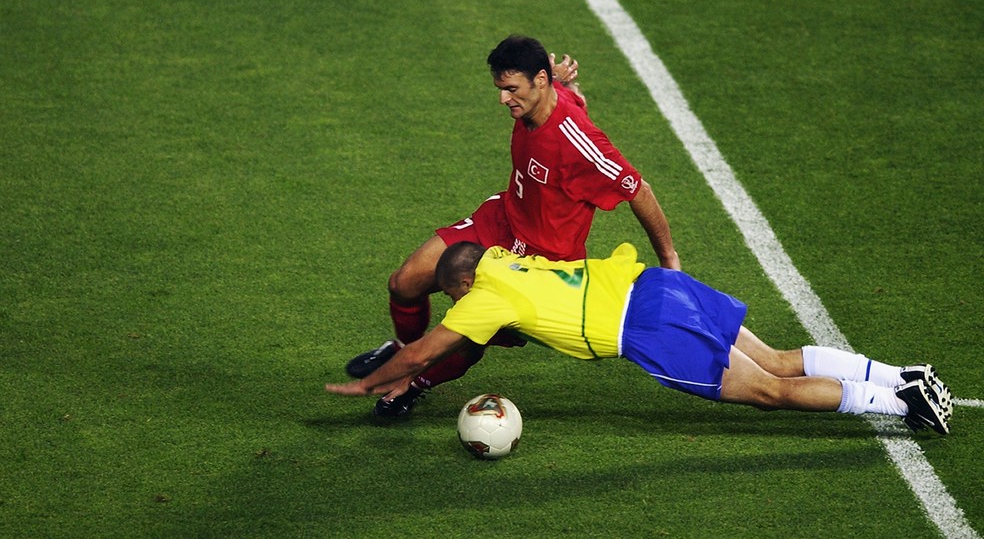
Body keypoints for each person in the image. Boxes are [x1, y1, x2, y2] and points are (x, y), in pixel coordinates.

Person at [346, 35, 680, 418]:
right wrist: (558, 81)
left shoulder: (577, 141)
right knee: (403, 282)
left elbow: (637, 189)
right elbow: (569, 96)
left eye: (510, 89)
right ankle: (406, 353)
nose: (503, 99)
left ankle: (413, 383)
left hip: (541, 261)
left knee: (467, 338)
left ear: (539, 81)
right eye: (500, 88)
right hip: (502, 221)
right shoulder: (540, 100)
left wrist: (669, 258)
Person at [327, 242, 953, 435]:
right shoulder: (504, 261)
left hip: (646, 329)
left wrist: (370, 382)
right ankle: (903, 375)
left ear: (461, 288)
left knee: (766, 391)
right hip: (655, 287)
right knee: (781, 358)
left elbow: (425, 351)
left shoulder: (485, 298)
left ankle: (904, 403)